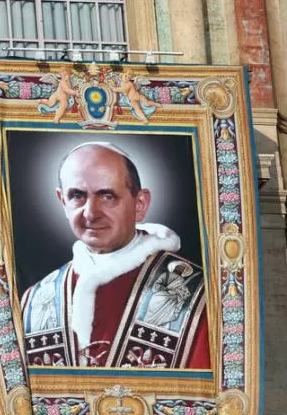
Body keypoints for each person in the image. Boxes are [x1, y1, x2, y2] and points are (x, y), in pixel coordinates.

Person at [19, 141, 210, 369]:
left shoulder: (198, 292)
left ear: (139, 203)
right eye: (77, 196)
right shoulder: (34, 300)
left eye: (107, 196)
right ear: (62, 201)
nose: (90, 213)